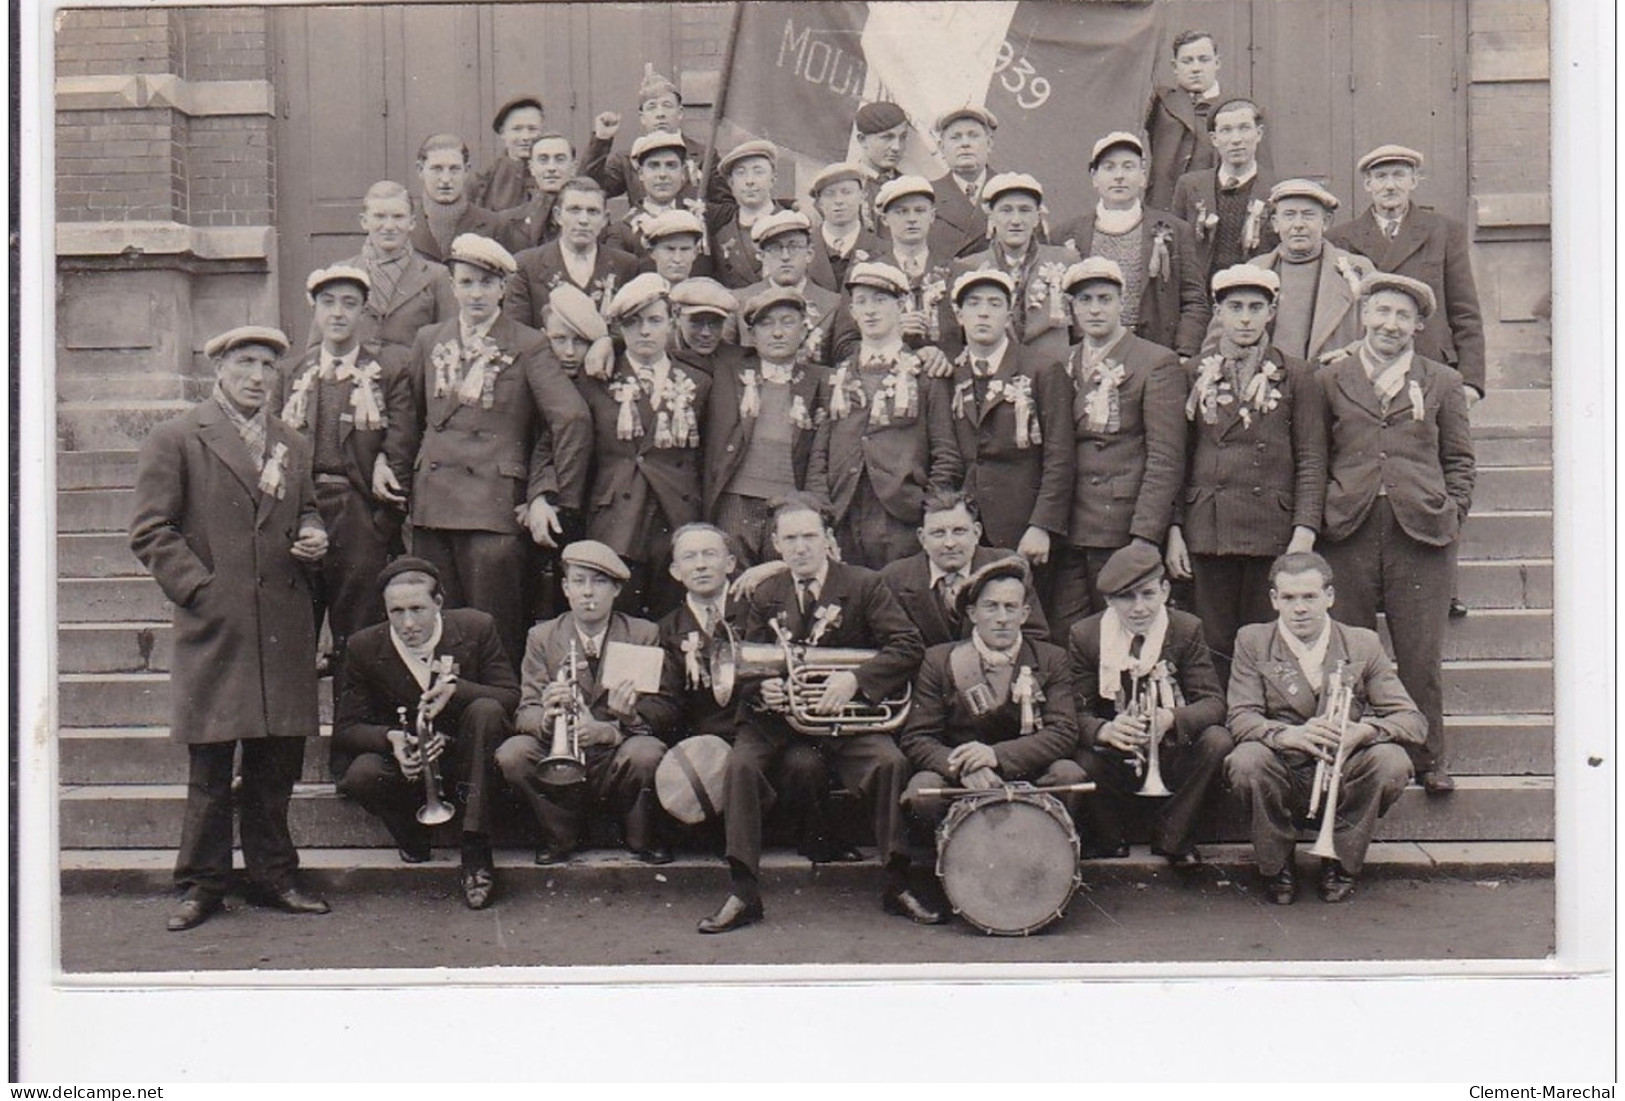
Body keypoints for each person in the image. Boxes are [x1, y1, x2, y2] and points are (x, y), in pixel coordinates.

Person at [129, 325, 331, 931]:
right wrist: (201, 590)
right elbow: (150, 531)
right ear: (219, 368)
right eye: (244, 363)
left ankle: (274, 875)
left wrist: (315, 534)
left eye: (268, 366)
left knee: (276, 767)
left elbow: (307, 509)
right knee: (212, 768)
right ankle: (201, 884)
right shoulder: (178, 438)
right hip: (217, 627)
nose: (257, 377)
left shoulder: (290, 441)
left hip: (283, 626)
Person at [698, 495, 931, 933]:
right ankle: (743, 891)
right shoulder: (763, 592)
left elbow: (907, 646)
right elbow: (738, 664)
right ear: (776, 545)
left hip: (844, 717)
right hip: (775, 719)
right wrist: (762, 689)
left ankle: (898, 883)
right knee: (742, 766)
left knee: (889, 763)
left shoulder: (864, 584)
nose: (801, 547)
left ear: (828, 539)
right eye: (790, 539)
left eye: (809, 536)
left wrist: (855, 681)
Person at [1317, 272, 1475, 795]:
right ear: (1364, 315)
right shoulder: (1330, 378)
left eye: (1403, 316)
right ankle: (1356, 750)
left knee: (1420, 652)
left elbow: (1459, 460)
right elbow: (1315, 456)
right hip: (1349, 527)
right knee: (1350, 649)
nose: (1390, 324)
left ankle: (1429, 756)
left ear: (1419, 325)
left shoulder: (1441, 382)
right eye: (1381, 312)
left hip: (1421, 532)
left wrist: (1450, 514)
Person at [406, 233, 593, 663]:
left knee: (494, 628)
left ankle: (500, 720)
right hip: (433, 507)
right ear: (451, 285)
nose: (475, 294)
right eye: (466, 282)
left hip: (494, 509)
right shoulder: (429, 339)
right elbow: (413, 420)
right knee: (440, 626)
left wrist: (549, 494)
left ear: (502, 289)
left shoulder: (527, 343)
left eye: (486, 283)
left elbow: (571, 418)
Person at [1225, 551, 1425, 904]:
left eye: (1310, 597)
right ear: (1274, 600)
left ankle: (1340, 859)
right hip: (1283, 764)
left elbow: (1412, 721)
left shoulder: (1362, 642)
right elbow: (1241, 718)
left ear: (1329, 597)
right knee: (1245, 760)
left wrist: (1364, 732)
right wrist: (1289, 735)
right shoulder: (1253, 640)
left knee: (1391, 761)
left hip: (1341, 768)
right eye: (1288, 597)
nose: (1299, 608)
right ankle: (1276, 864)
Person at [1166, 264, 1326, 682]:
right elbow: (1175, 459)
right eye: (1234, 307)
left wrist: (1304, 530)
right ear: (1217, 312)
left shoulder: (1298, 374)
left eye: (1256, 307)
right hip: (1208, 530)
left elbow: (1311, 459)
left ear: (1272, 312)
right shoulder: (1192, 373)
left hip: (1271, 529)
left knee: (1268, 644)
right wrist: (1175, 528)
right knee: (1213, 644)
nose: (1245, 318)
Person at [332, 558, 519, 909]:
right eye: (396, 611)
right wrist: (392, 739)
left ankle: (475, 849)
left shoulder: (477, 627)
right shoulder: (363, 646)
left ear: (439, 603)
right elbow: (346, 728)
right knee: (362, 774)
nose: (407, 623)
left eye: (417, 609)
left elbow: (510, 696)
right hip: (412, 765)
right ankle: (411, 831)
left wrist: (459, 690)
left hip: (469, 760)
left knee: (486, 709)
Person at [277, 265, 415, 698]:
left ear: (364, 313)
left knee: (356, 636)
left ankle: (351, 752)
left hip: (359, 512)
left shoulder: (385, 371)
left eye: (349, 304)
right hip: (303, 509)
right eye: (328, 303)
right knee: (295, 631)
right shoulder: (295, 373)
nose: (338, 313)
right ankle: (284, 757)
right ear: (315, 309)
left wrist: (381, 506)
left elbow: (403, 438)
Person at [497, 541, 676, 866]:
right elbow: (526, 710)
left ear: (617, 589)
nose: (588, 592)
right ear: (565, 588)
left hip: (615, 754)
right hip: (561, 756)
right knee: (513, 752)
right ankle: (561, 834)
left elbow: (662, 708)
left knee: (647, 751)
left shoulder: (642, 633)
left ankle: (639, 836)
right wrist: (548, 719)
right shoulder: (543, 636)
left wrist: (619, 724)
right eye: (579, 581)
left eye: (599, 582)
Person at [900, 556, 1086, 842]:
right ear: (973, 613)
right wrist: (963, 769)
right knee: (921, 792)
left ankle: (1044, 862)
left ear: (1024, 614)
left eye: (1011, 607)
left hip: (1027, 771)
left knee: (1069, 776)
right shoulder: (939, 660)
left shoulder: (1051, 658)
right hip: (963, 778)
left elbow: (1063, 732)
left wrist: (996, 756)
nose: (1002, 618)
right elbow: (918, 738)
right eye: (991, 606)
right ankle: (953, 872)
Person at [1049, 257, 1187, 636]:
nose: (1095, 309)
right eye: (1085, 300)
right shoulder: (1060, 361)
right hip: (1068, 527)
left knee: (1124, 635)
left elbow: (1165, 458)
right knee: (1072, 637)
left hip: (1121, 528)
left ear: (1121, 303)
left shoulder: (1154, 361)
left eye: (1105, 299)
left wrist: (1144, 537)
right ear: (1072, 307)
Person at [1068, 542, 1230, 863]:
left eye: (1148, 594)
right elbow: (1073, 711)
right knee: (1080, 756)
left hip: (1170, 753)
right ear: (1109, 600)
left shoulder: (1185, 628)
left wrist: (1170, 718)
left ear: (1165, 591)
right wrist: (1106, 730)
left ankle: (1173, 835)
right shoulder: (1086, 635)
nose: (1139, 607)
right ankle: (1109, 837)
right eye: (1126, 597)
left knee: (1217, 740)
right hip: (1115, 758)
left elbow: (1213, 702)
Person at [807, 261, 962, 570]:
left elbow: (946, 455)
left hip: (902, 518)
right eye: (861, 302)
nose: (871, 311)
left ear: (901, 305)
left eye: (881, 300)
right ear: (851, 311)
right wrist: (824, 516)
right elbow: (819, 456)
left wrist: (926, 510)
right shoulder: (836, 377)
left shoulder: (924, 374)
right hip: (845, 513)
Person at [575, 273, 711, 617]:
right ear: (619, 328)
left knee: (672, 616)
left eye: (655, 320)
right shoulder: (598, 378)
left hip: (674, 514)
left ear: (672, 322)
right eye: (633, 323)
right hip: (617, 515)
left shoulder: (698, 381)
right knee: (621, 617)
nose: (645, 331)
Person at [943, 269, 1074, 589]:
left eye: (994, 303)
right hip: (968, 526)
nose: (984, 312)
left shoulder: (1042, 369)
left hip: (1024, 526)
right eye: (973, 304)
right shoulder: (949, 373)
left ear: (1009, 314)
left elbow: (1060, 455)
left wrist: (1042, 525)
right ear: (959, 315)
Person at [1326, 144, 1486, 400]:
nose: (1390, 186)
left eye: (1399, 175)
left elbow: (1464, 311)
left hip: (1429, 364)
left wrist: (1471, 380)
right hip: (1365, 367)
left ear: (1414, 181)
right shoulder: (1340, 239)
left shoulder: (1444, 232)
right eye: (1381, 177)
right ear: (1368, 184)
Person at [1053, 132, 1209, 359]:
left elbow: (1194, 300)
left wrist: (1183, 354)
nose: (1119, 177)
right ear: (1094, 177)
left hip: (1154, 355)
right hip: (1086, 354)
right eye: (1109, 168)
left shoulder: (1175, 231)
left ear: (1143, 176)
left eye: (1128, 167)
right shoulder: (1065, 235)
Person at [704, 287, 828, 566]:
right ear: (752, 333)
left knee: (784, 581)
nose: (778, 333)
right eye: (766, 324)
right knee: (733, 577)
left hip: (790, 503)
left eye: (788, 322)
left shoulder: (822, 380)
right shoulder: (727, 368)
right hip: (735, 500)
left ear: (804, 330)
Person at [305, 180, 458, 373]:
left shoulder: (436, 276)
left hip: (410, 389)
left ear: (412, 222)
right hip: (354, 389)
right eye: (379, 216)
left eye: (398, 217)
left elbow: (448, 346)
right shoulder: (341, 272)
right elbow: (316, 348)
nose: (389, 226)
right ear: (364, 221)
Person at [879, 489, 1050, 649]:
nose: (949, 543)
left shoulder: (1007, 566)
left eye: (959, 531)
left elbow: (1035, 637)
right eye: (938, 533)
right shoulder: (896, 578)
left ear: (976, 533)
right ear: (922, 538)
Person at [944, 173, 1081, 363]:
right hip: (996, 377)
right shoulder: (968, 267)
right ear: (991, 217)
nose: (1016, 220)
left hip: (1054, 375)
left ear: (1037, 217)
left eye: (1024, 210)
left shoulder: (1066, 260)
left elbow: (1082, 332)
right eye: (1006, 210)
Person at [1237, 179, 1375, 361]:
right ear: (1275, 223)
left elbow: (1385, 329)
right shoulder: (1253, 270)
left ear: (1325, 222)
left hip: (1332, 380)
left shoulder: (1358, 270)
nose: (1298, 224)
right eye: (1289, 215)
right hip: (1269, 383)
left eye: (1308, 215)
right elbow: (1223, 339)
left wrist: (1352, 353)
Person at [1144, 30, 1272, 211]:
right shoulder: (1160, 103)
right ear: (1174, 66)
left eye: (1203, 60)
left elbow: (1262, 169)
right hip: (1167, 208)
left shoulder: (1242, 108)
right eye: (1187, 61)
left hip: (1220, 207)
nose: (1196, 68)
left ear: (1217, 62)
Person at [505, 177, 641, 328]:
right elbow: (519, 331)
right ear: (558, 216)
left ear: (605, 219)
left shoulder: (626, 265)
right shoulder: (526, 265)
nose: (583, 220)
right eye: (574, 210)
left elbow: (629, 328)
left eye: (593, 212)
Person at [583, 66, 720, 213]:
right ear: (642, 117)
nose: (660, 114)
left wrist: (705, 211)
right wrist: (601, 140)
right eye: (652, 107)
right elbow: (591, 188)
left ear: (680, 113)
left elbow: (726, 205)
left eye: (667, 106)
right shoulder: (628, 159)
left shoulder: (703, 155)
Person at [1171, 99, 1279, 280]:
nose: (1236, 140)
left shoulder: (1276, 190)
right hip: (1202, 296)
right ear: (1214, 139)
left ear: (1258, 134)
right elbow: (1176, 249)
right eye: (1226, 130)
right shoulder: (1189, 186)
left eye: (1244, 128)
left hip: (1257, 294)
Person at [730, 210, 843, 368]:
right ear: (762, 256)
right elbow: (728, 364)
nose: (785, 256)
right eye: (775, 248)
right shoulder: (739, 302)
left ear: (809, 253)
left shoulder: (834, 304)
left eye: (794, 246)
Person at [605, 131, 708, 265]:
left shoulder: (702, 217)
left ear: (683, 173)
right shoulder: (624, 230)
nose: (662, 174)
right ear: (641, 174)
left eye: (671, 165)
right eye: (654, 166)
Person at [409, 134, 502, 263]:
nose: (446, 179)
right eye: (437, 169)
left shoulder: (493, 224)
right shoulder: (404, 224)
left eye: (454, 169)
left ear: (466, 171)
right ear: (420, 170)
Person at [709, 140, 788, 289]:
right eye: (741, 173)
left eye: (758, 171)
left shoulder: (794, 226)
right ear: (731, 182)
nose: (750, 181)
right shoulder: (721, 235)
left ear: (773, 179)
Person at [927, 105, 1001, 259]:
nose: (965, 144)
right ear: (941, 147)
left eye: (973, 135)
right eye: (955, 137)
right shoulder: (927, 197)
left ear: (990, 143)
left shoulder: (1012, 191)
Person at [806, 162, 888, 293]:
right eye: (830, 194)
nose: (839, 200)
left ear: (862, 196)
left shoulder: (883, 250)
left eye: (847, 192)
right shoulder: (802, 249)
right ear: (819, 202)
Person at [494, 132, 578, 255]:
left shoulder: (587, 219)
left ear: (573, 167)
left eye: (560, 160)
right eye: (543, 160)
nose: (551, 167)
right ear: (532, 167)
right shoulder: (507, 222)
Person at [467, 94, 546, 213]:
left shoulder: (552, 174)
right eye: (517, 129)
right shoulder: (484, 181)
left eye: (532, 129)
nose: (525, 137)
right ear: (503, 133)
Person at [851, 100, 910, 217]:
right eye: (887, 137)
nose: (896, 147)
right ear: (862, 140)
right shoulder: (845, 188)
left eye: (903, 137)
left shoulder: (910, 186)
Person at [669, 277, 743, 371]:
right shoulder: (659, 355)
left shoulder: (733, 360)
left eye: (715, 323)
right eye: (696, 322)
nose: (706, 333)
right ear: (677, 315)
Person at [638, 209, 710, 285]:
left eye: (685, 249)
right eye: (670, 249)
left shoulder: (708, 295)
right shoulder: (636, 295)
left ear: (695, 252)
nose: (677, 259)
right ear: (651, 252)